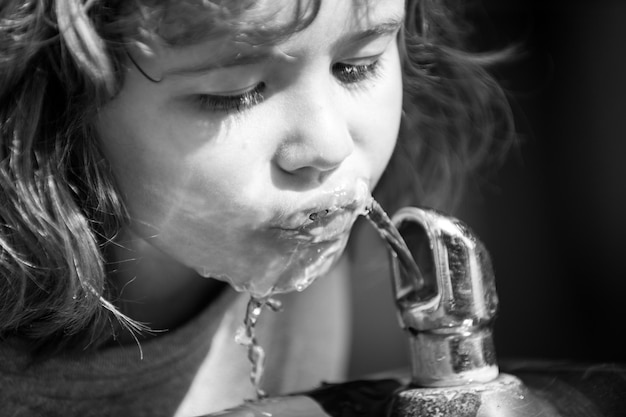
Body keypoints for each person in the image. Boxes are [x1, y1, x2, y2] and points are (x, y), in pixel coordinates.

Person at [0, 0, 513, 416]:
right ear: (54, 96)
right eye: (237, 94)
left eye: (358, 66)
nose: (327, 146)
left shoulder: (291, 249)